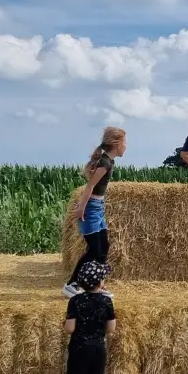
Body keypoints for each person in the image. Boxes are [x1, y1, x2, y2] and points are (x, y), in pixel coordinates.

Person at [62, 127, 126, 299]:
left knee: (104, 247)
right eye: (125, 143)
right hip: (90, 208)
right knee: (94, 249)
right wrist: (81, 207)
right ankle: (72, 285)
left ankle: (98, 284)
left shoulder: (109, 161)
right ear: (117, 144)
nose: (126, 146)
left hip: (98, 207)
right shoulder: (104, 163)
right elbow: (90, 186)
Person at [64, 261, 116, 374]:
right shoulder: (107, 301)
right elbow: (111, 328)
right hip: (98, 348)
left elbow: (70, 328)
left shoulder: (75, 301)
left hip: (78, 348)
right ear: (100, 283)